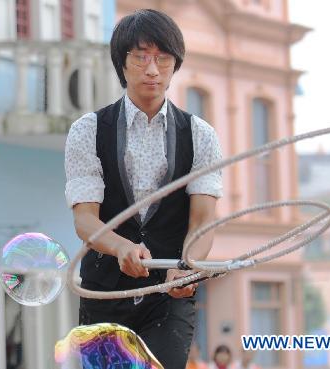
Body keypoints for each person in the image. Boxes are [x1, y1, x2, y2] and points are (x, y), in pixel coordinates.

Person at [64, 8, 223, 369]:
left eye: (163, 58)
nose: (152, 69)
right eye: (141, 57)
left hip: (168, 299)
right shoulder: (87, 131)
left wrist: (187, 266)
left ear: (174, 64)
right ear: (122, 63)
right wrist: (120, 247)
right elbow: (85, 221)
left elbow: (202, 221)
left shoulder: (201, 135)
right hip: (103, 293)